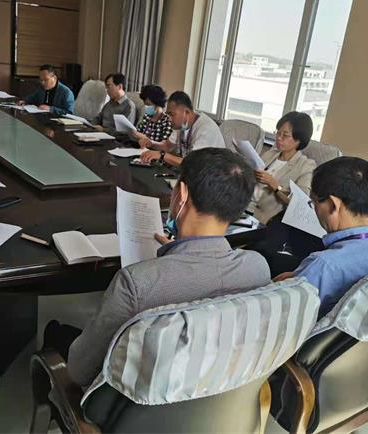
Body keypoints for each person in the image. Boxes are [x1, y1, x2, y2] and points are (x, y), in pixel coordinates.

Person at [48, 148, 271, 387]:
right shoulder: (257, 267)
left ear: (181, 194)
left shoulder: (137, 283)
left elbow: (80, 371)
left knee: (56, 332)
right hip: (213, 388)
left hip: (133, 399)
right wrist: (177, 251)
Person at [274, 157, 368, 317]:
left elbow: (281, 318)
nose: (314, 209)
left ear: (333, 205)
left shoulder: (323, 266)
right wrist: (305, 275)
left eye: (314, 202)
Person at [247, 112, 316, 224]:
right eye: (278, 133)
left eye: (285, 135)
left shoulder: (306, 166)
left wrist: (274, 185)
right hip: (243, 206)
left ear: (299, 139)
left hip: (263, 219)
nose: (279, 138)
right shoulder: (271, 154)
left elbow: (300, 204)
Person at [139, 91, 225, 167]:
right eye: (168, 115)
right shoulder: (181, 125)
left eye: (172, 114)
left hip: (211, 176)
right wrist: (151, 143)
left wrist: (162, 155)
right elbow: (168, 146)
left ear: (186, 112)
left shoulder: (206, 129)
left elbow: (193, 163)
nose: (169, 119)